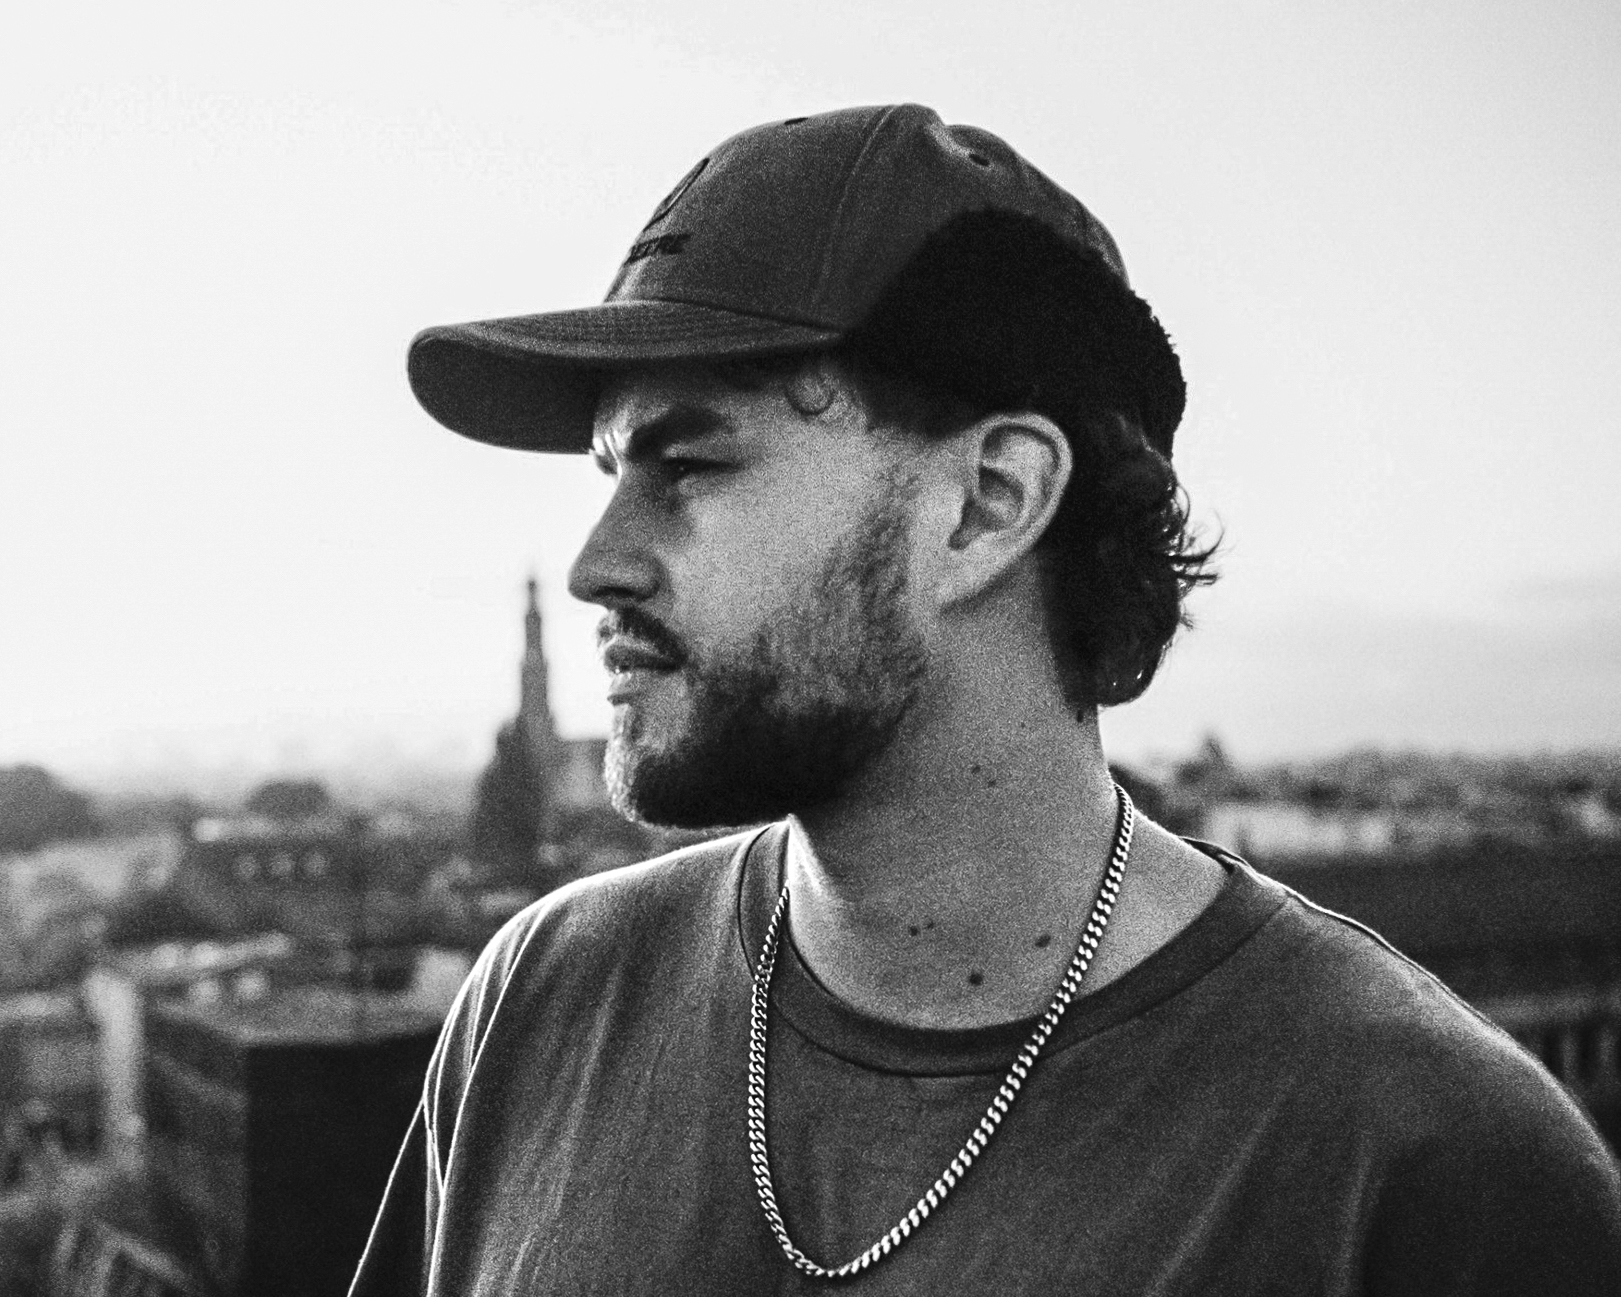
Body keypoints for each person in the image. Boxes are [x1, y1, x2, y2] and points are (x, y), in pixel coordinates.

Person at [351, 104, 1621, 1294]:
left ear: (987, 505)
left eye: (687, 463)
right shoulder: (544, 1001)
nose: (594, 564)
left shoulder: (1430, 1165)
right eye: (611, 473)